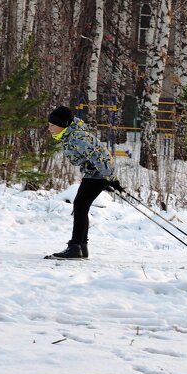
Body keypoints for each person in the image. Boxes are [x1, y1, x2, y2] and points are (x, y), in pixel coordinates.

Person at [46, 105, 118, 259]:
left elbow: (101, 156)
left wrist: (110, 179)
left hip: (98, 174)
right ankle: (81, 247)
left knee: (80, 205)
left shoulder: (77, 137)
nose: (49, 128)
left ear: (63, 124)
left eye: (53, 125)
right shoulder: (71, 135)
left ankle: (76, 247)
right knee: (81, 206)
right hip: (94, 174)